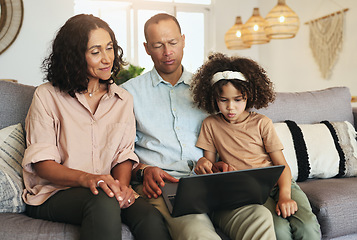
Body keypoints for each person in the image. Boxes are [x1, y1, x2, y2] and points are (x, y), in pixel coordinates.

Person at [122, 13, 276, 240]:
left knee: (259, 217)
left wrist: (220, 164)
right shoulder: (128, 93)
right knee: (200, 234)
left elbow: (225, 134)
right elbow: (120, 153)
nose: (167, 52)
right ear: (146, 48)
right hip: (168, 186)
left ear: (183, 40)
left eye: (173, 43)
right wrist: (143, 171)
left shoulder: (210, 90)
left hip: (212, 182)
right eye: (158, 45)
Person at [22, 14, 171, 240]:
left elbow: (123, 155)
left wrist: (121, 188)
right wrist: (89, 179)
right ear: (74, 57)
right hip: (54, 194)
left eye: (109, 48)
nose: (107, 59)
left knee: (150, 217)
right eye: (95, 52)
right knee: (103, 201)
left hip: (106, 191)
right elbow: (43, 165)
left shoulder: (122, 99)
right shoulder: (46, 96)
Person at [190, 52, 321, 240]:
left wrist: (285, 195)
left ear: (249, 96)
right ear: (213, 98)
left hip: (280, 184)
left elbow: (281, 165)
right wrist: (203, 163)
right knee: (279, 231)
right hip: (251, 192)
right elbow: (209, 166)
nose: (231, 107)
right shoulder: (210, 124)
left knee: (307, 227)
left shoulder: (262, 123)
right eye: (223, 100)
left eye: (238, 99)